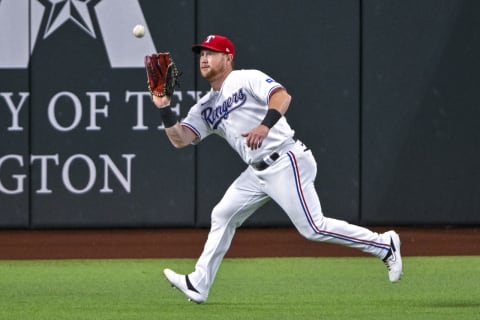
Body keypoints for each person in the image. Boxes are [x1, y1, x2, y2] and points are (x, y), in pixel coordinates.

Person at [151, 34, 403, 304]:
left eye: (211, 52)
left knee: (313, 228)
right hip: (256, 172)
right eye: (201, 53)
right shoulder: (205, 106)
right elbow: (181, 139)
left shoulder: (246, 78)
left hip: (285, 159)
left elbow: (282, 97)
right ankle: (199, 284)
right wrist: (164, 108)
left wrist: (265, 125)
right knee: (222, 214)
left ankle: (384, 244)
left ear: (228, 58)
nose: (204, 58)